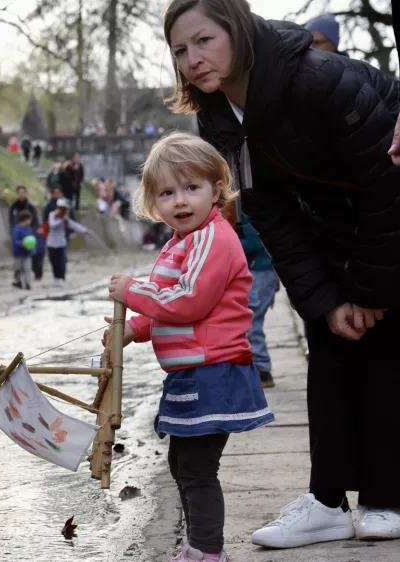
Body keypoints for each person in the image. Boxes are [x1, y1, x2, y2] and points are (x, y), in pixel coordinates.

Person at [164, 0, 400, 547]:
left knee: (385, 346)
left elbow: (385, 186)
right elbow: (268, 210)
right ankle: (328, 502)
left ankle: (388, 497)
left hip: (388, 215)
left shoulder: (321, 80)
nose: (193, 59)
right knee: (330, 342)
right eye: (180, 50)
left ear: (238, 30)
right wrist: (325, 299)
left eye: (204, 40)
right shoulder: (217, 115)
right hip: (331, 234)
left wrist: (370, 291)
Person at [107, 132, 273, 562]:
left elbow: (190, 301)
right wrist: (135, 328)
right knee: (181, 464)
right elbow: (170, 306)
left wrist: (132, 291)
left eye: (191, 188)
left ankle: (206, 551)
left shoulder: (213, 238)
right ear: (153, 201)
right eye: (167, 193)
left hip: (213, 371)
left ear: (216, 190)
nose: (179, 201)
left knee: (198, 468)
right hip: (192, 372)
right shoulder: (182, 241)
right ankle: (199, 544)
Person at [239, 216, 277, 388]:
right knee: (251, 320)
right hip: (260, 271)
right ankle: (259, 366)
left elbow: (255, 241)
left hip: (260, 272)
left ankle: (261, 368)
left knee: (251, 321)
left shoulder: (247, 213)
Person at [45, 198, 72, 288]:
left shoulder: (65, 218)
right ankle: (56, 278)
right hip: (51, 243)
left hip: (61, 243)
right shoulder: (52, 215)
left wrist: (86, 231)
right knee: (54, 262)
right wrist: (62, 219)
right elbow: (52, 225)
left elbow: (72, 224)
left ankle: (61, 278)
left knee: (62, 262)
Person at [11, 211, 35, 290]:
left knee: (27, 268)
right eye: (29, 219)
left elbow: (32, 239)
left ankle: (27, 283)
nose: (30, 221)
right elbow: (16, 241)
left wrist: (32, 247)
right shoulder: (17, 229)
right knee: (18, 269)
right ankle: (18, 281)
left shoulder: (29, 229)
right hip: (18, 253)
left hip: (27, 253)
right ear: (25, 219)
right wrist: (22, 243)